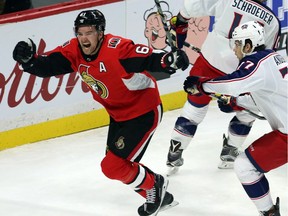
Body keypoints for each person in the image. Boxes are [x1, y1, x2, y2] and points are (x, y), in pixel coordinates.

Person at [12, 9, 189, 216]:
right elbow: (47, 66)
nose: (83, 38)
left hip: (143, 112)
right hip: (118, 115)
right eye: (80, 33)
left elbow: (148, 59)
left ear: (100, 32)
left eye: (89, 32)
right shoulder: (74, 51)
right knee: (119, 166)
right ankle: (160, 195)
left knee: (113, 166)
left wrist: (168, 61)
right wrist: (27, 61)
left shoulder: (118, 48)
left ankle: (155, 185)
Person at [183, 20, 287, 216]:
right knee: (245, 165)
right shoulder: (272, 59)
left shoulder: (257, 62)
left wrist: (202, 85)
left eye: (238, 44)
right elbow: (263, 101)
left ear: (249, 45)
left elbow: (235, 83)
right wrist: (235, 103)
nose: (235, 49)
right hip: (285, 133)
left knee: (245, 166)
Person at [166, 0, 281, 173]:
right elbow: (264, 56)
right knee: (245, 113)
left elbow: (190, 7)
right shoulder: (272, 20)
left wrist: (180, 21)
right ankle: (229, 152)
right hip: (241, 73)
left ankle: (175, 151)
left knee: (194, 109)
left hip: (208, 63)